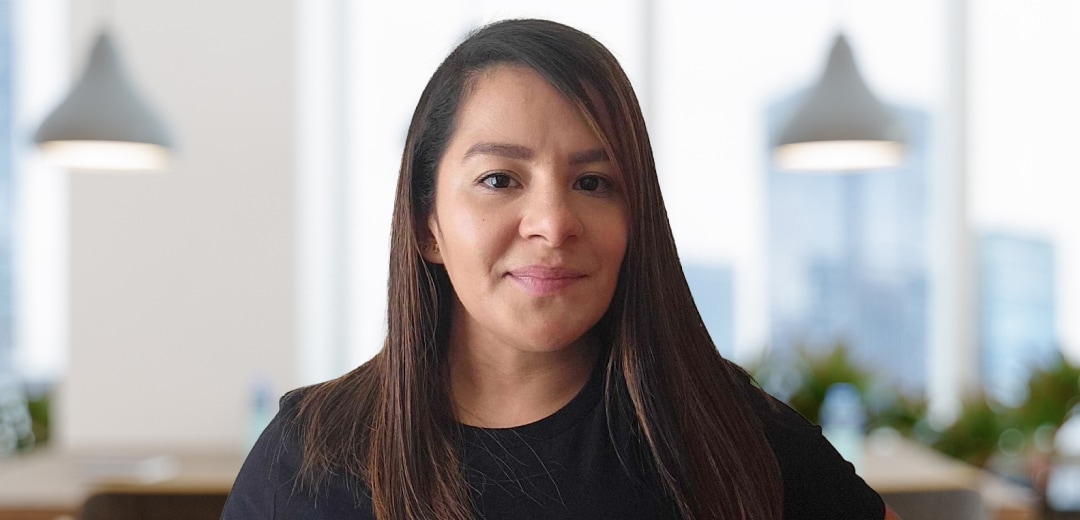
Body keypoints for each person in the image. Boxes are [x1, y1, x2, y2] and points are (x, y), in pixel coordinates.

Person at [222, 18, 900, 520]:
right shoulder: (304, 463)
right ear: (427, 223)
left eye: (593, 182)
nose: (553, 222)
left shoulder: (726, 431)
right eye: (499, 179)